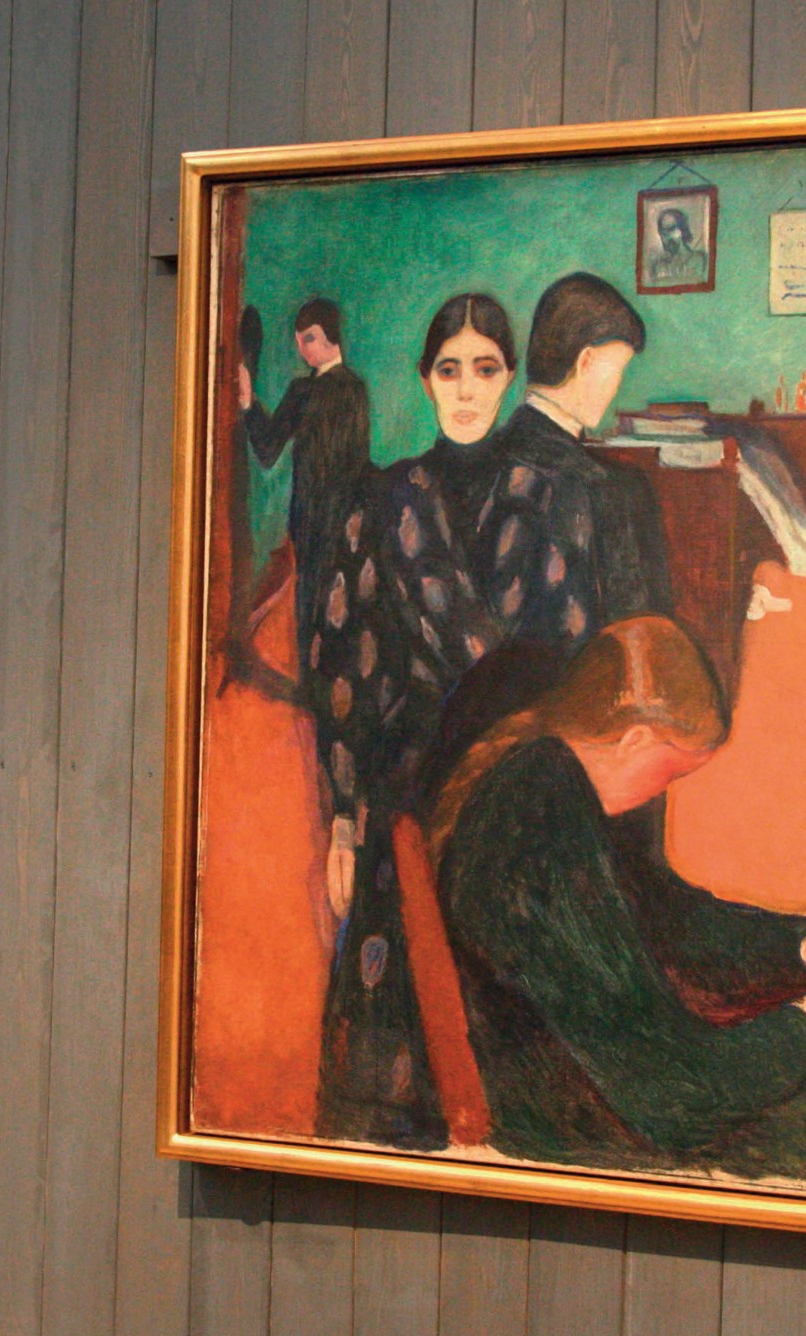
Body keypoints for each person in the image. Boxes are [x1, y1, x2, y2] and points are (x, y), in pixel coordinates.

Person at [429, 617, 806, 1192]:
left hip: (615, 1073)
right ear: (635, 739)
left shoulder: (558, 772)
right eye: (670, 773)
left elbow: (667, 917)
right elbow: (672, 1100)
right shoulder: (541, 841)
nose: (666, 790)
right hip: (582, 1125)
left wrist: (804, 944)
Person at [308, 295, 515, 1146]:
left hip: (506, 772)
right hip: (402, 779)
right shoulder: (389, 497)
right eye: (449, 370)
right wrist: (342, 821)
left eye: (485, 369)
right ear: (425, 381)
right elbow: (342, 664)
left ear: (509, 378)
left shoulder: (533, 495)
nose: (466, 390)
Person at [476, 272, 675, 654]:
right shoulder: (613, 490)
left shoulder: (482, 464)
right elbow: (647, 647)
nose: (617, 386)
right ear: (586, 361)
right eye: (618, 369)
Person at [238, 297, 373, 682]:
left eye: (309, 338)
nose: (303, 349)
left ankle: (336, 686)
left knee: (344, 611)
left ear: (332, 336)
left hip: (346, 523)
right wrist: (248, 404)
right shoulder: (301, 390)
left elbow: (357, 463)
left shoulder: (353, 391)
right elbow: (268, 449)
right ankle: (308, 688)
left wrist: (357, 519)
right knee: (307, 606)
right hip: (308, 522)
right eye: (299, 341)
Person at [647, 207, 708, 287]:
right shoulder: (659, 267)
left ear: (683, 230)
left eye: (671, 229)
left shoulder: (699, 259)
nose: (667, 237)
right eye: (663, 233)